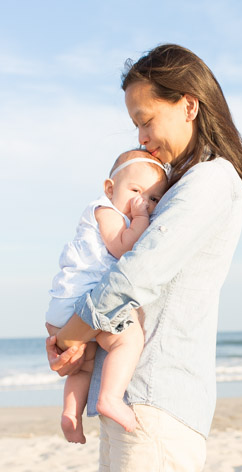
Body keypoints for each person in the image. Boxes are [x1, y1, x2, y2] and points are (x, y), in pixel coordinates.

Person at [46, 43, 242, 472]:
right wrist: (74, 340)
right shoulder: (175, 186)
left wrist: (71, 335)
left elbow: (136, 277)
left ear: (188, 105)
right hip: (131, 389)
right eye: (135, 123)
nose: (141, 136)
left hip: (159, 395)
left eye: (146, 119)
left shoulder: (212, 180)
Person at [46, 150, 168, 442]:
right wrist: (141, 218)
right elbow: (123, 247)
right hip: (83, 300)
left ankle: (71, 414)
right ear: (109, 189)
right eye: (136, 191)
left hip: (62, 308)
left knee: (84, 361)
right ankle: (111, 398)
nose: (143, 202)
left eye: (153, 199)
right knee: (129, 340)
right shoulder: (106, 212)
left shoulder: (113, 211)